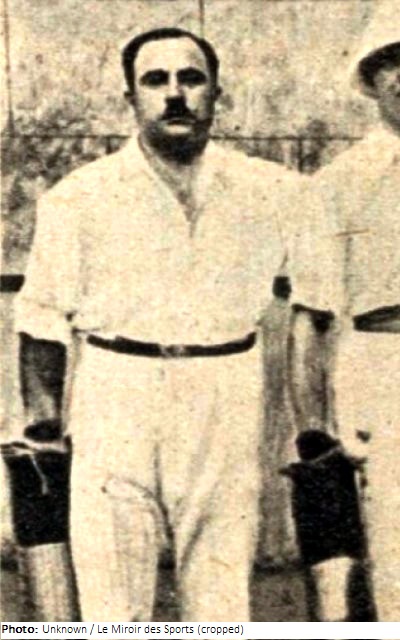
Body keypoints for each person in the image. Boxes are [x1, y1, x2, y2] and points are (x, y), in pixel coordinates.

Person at [14, 27, 335, 621]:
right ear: (130, 99)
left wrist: (313, 422)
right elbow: (41, 318)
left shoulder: (275, 191)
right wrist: (43, 427)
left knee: (219, 598)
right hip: (116, 391)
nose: (175, 94)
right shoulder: (79, 197)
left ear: (218, 94)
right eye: (155, 81)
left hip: (226, 391)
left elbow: (317, 303)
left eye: (191, 79)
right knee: (113, 601)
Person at [291, 4, 400, 621]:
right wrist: (314, 434)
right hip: (382, 372)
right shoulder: (339, 183)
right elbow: (311, 316)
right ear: (371, 77)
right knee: (393, 564)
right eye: (391, 61)